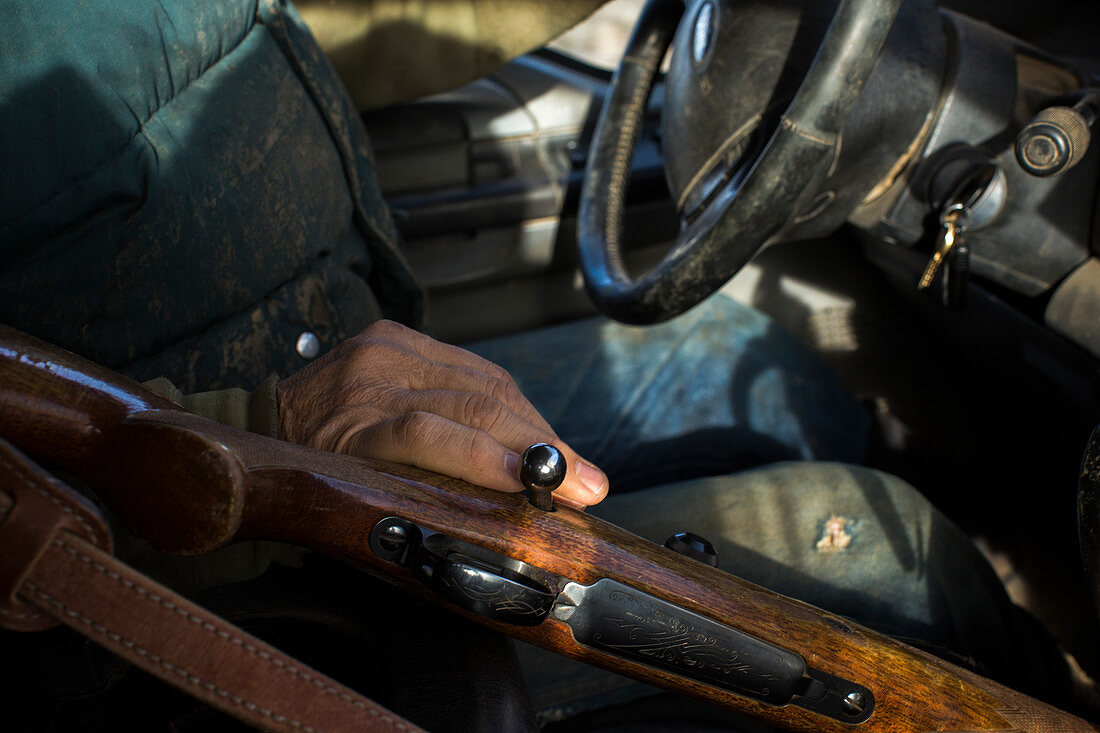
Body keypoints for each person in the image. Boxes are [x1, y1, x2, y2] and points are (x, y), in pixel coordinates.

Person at [0, 0, 1076, 726]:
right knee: (893, 551)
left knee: (745, 357)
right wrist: (249, 428)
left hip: (316, 364)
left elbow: (330, 23)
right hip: (184, 548)